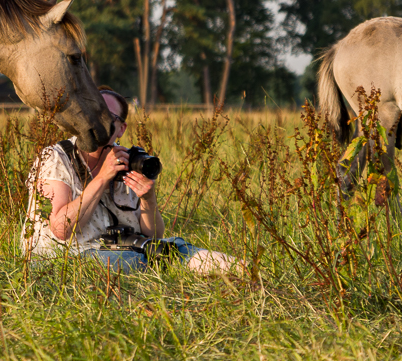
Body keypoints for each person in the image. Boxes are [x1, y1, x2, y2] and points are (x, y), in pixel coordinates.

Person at [24, 87, 242, 274]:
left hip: (124, 250)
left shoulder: (127, 161)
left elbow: (154, 235)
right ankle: (174, 266)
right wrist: (102, 178)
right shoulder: (55, 157)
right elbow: (61, 230)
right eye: (92, 113)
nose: (97, 121)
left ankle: (246, 270)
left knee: (174, 248)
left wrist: (148, 199)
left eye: (107, 116)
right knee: (142, 258)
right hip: (67, 257)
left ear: (121, 128)